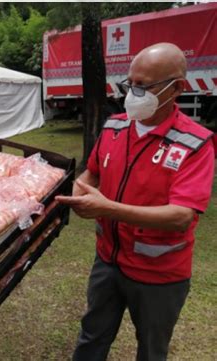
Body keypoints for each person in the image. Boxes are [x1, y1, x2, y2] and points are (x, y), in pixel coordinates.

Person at [56, 43, 215, 361]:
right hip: (108, 260)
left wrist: (108, 209)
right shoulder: (115, 126)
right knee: (91, 338)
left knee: (152, 350)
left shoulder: (193, 144)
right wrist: (79, 190)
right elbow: (93, 172)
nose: (133, 94)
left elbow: (182, 215)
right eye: (131, 84)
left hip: (159, 274)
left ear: (177, 88)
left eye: (144, 86)